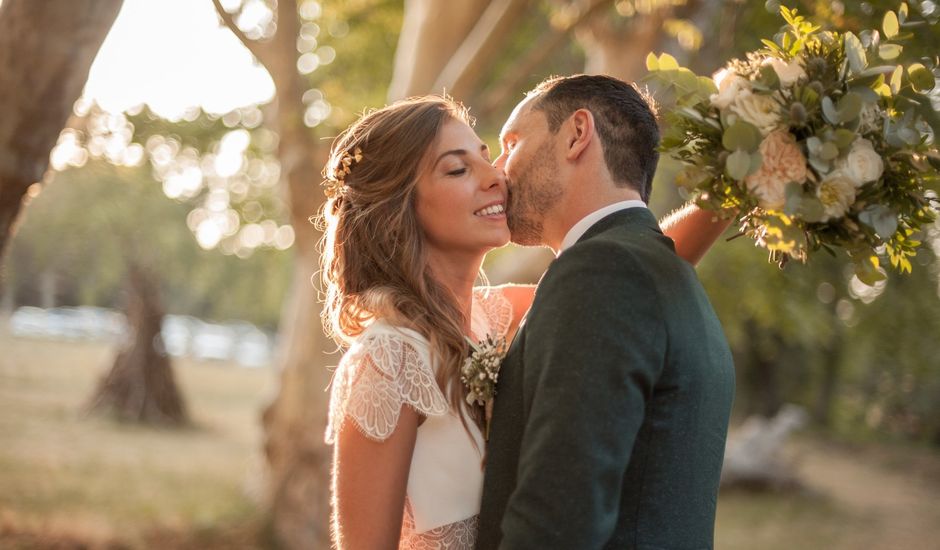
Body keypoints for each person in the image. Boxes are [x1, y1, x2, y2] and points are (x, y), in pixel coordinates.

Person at [321, 92, 728, 549]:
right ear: (399, 209)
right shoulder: (387, 358)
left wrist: (737, 187)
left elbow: (626, 281)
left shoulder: (500, 315)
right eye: (458, 169)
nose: (495, 176)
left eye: (487, 157)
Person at [476, 74, 735, 549]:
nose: (496, 169)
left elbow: (556, 521)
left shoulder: (600, 271)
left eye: (511, 143)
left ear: (577, 134)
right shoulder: (666, 275)